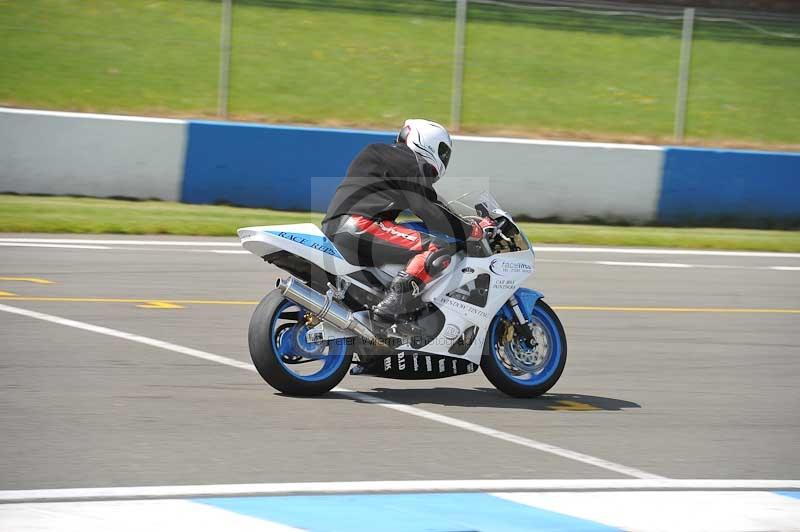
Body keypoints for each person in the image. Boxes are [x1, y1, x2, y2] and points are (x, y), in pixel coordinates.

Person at [322, 119, 495, 323]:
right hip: (360, 224)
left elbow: (431, 202)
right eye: (443, 152)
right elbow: (429, 209)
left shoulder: (386, 156)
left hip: (338, 226)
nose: (444, 158)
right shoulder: (410, 161)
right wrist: (472, 230)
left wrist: (458, 220)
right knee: (436, 248)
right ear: (428, 142)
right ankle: (392, 307)